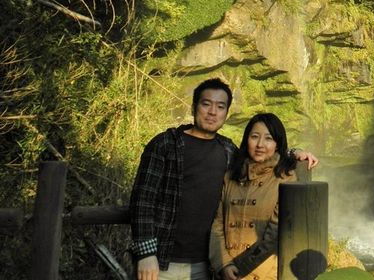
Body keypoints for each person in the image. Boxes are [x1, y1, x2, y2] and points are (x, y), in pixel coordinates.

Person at [129, 78, 318, 280]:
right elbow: (142, 200)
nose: (212, 112)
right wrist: (146, 253)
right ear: (194, 107)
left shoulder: (227, 150)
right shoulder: (165, 145)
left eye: (220, 106)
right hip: (162, 262)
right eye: (206, 104)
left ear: (226, 113)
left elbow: (261, 154)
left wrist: (294, 153)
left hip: (204, 264)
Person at [209, 113, 299, 280]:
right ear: (246, 140)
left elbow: (275, 234)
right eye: (254, 137)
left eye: (268, 138)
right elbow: (216, 224)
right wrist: (224, 265)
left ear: (277, 144)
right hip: (225, 271)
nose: (260, 145)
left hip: (262, 273)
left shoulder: (286, 178)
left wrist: (239, 269)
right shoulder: (230, 177)